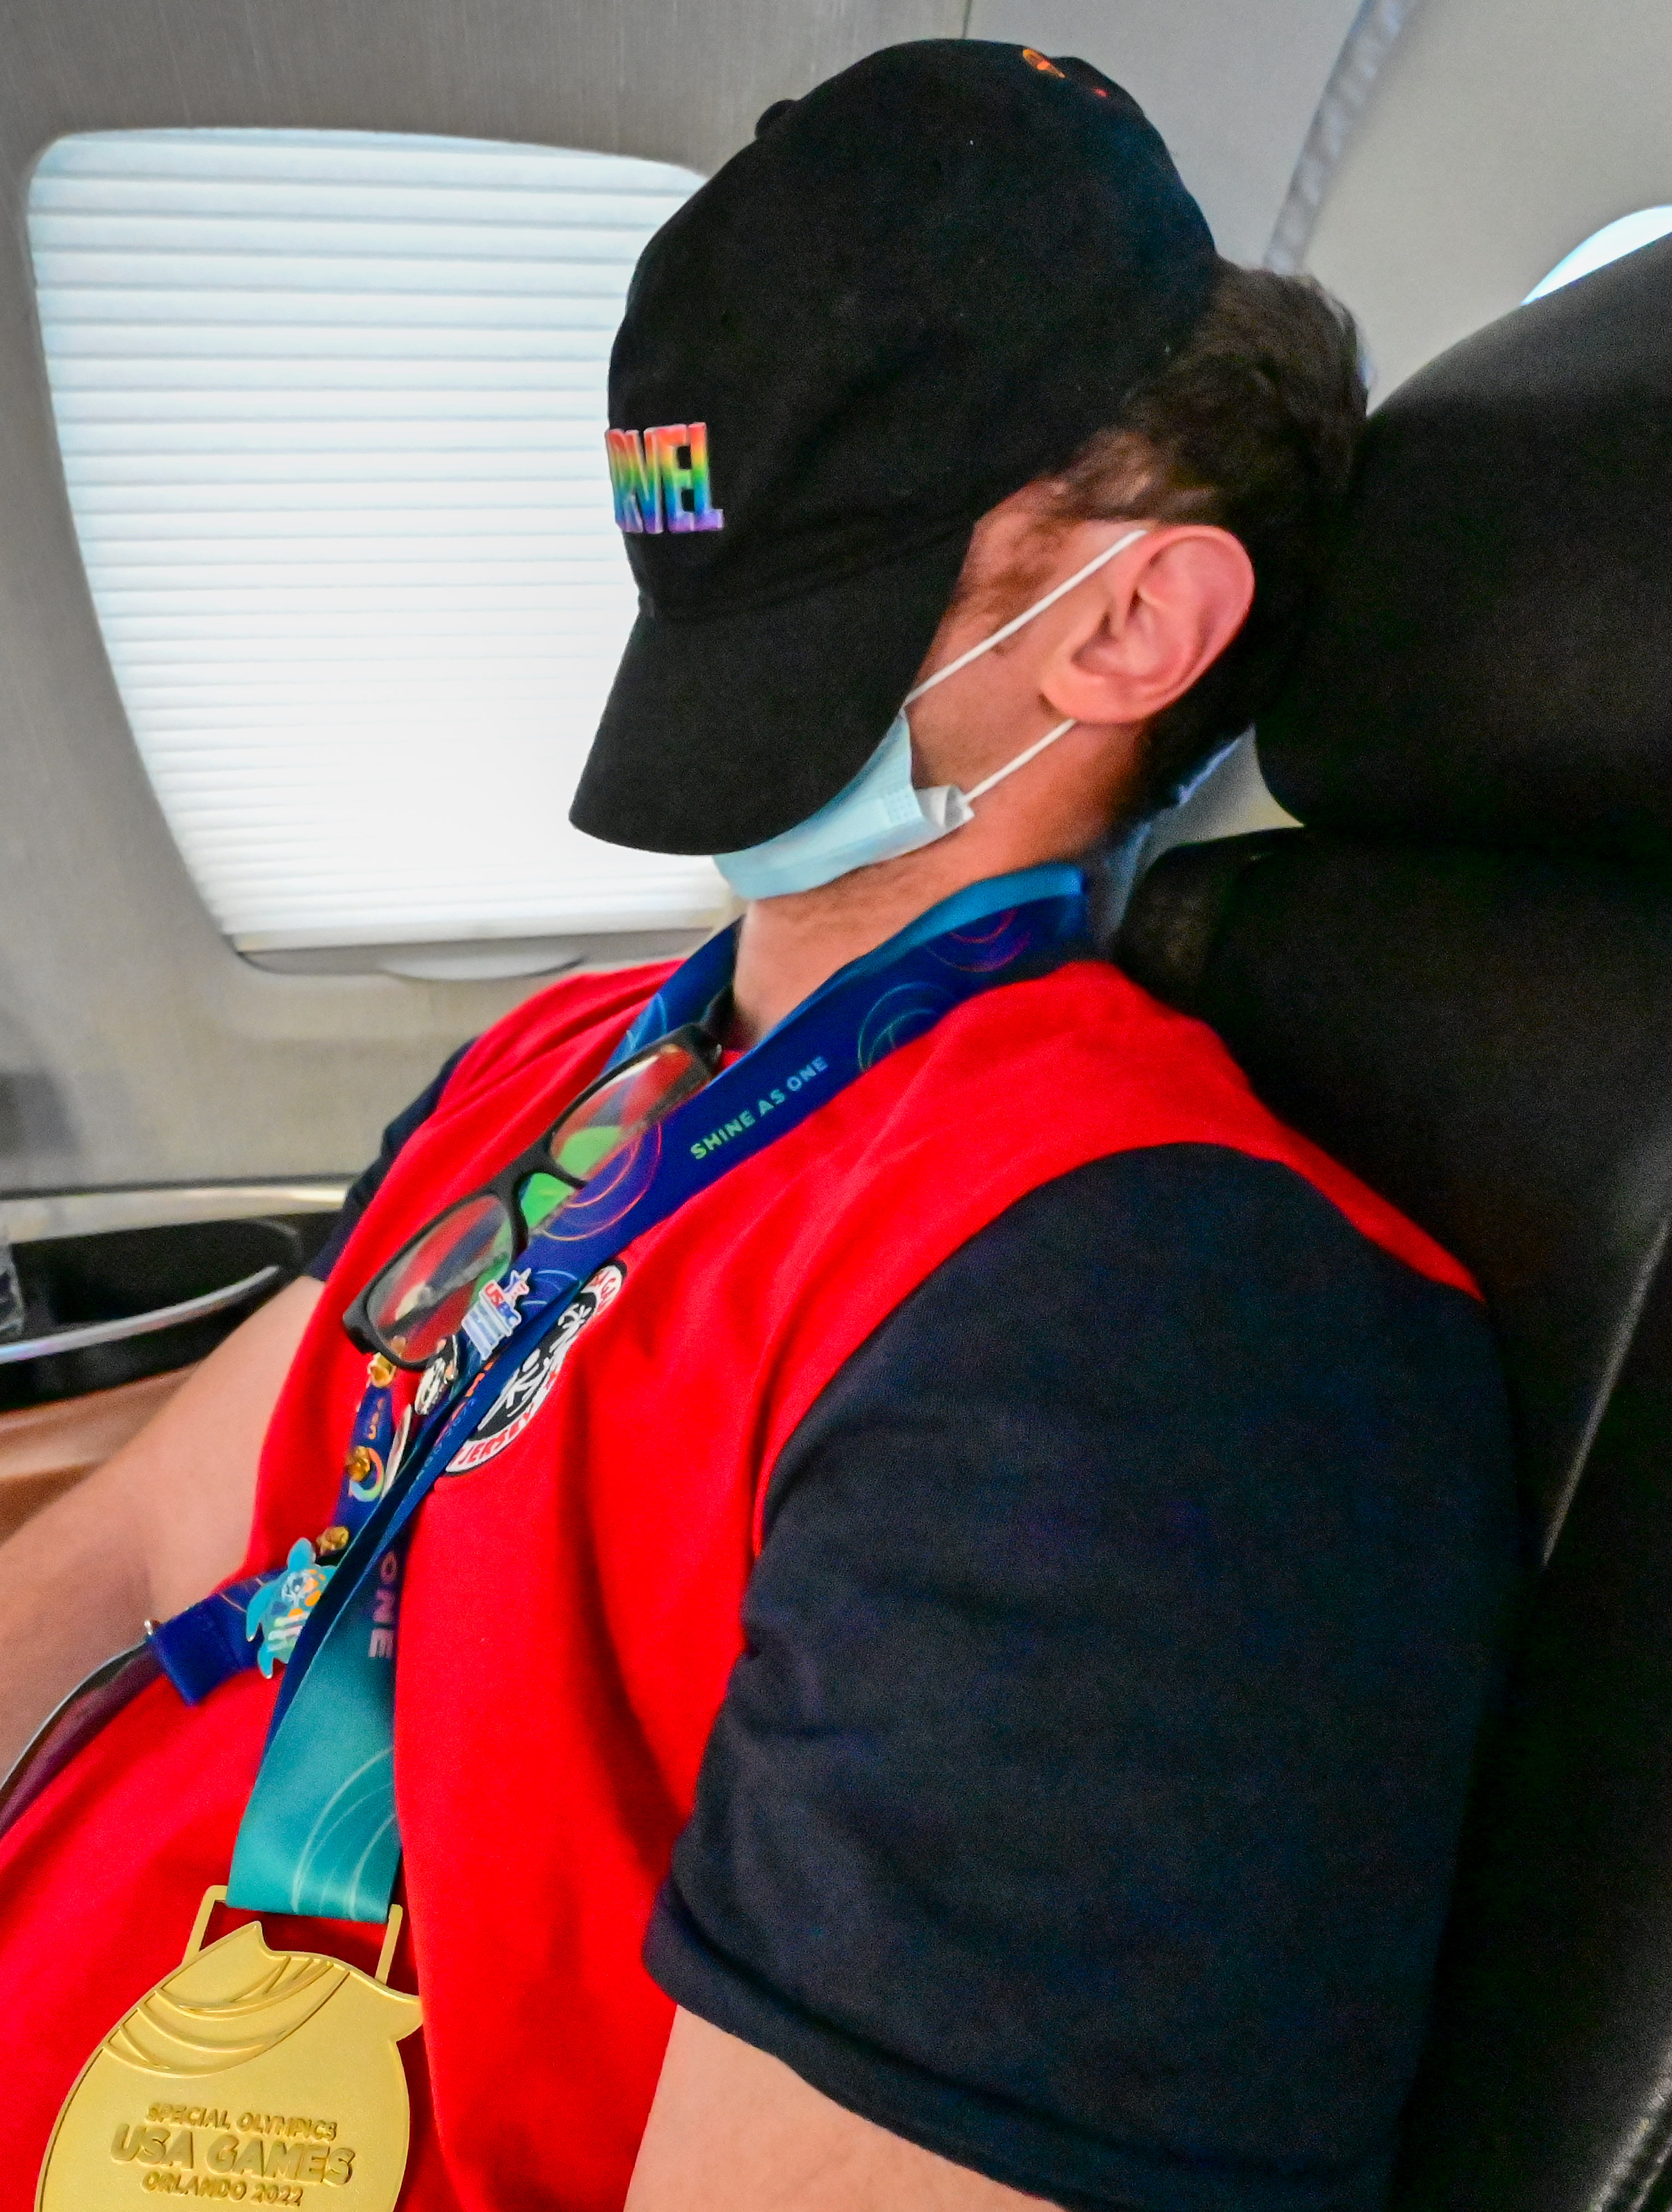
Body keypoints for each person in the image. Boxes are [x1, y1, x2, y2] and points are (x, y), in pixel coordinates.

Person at [0, 40, 1519, 2212]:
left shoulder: (1146, 1321)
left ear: (1129, 620)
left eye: (835, 579)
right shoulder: (567, 1061)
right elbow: (172, 1523)